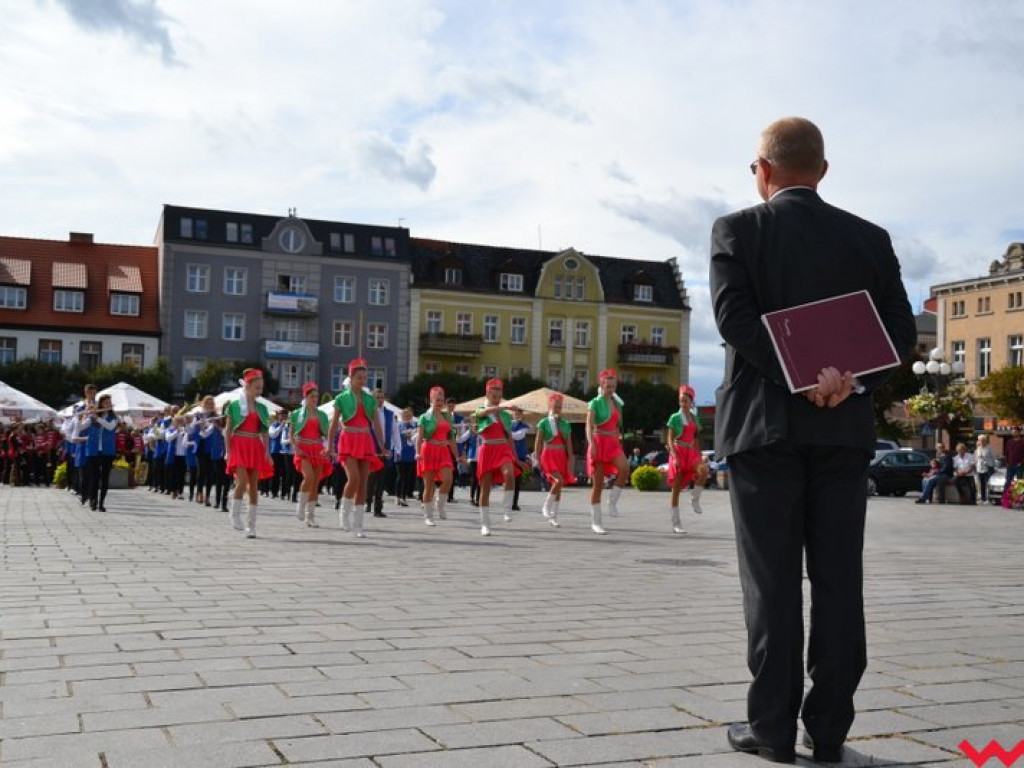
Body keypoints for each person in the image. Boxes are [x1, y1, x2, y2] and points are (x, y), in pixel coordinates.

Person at [710, 117, 916, 763]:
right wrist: (844, 380)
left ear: (762, 169)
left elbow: (734, 319)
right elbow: (900, 335)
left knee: (771, 582)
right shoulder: (870, 238)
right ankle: (828, 730)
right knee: (837, 580)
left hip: (764, 429)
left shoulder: (738, 229)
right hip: (843, 431)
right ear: (823, 171)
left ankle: (769, 728)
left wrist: (800, 379)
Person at [328, 359, 389, 538]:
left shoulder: (370, 399)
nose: (362, 381)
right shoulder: (341, 398)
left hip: (365, 440)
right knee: (353, 478)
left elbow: (376, 424)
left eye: (365, 378)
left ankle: (359, 524)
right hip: (348, 439)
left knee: (363, 483)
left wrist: (382, 445)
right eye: (359, 378)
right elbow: (333, 425)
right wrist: (330, 445)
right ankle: (344, 514)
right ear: (351, 377)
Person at [224, 369, 275, 538]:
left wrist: (267, 452)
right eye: (257, 388)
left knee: (253, 487)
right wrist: (228, 451)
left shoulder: (262, 408)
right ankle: (234, 513)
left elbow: (265, 432)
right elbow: (228, 430)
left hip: (255, 446)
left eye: (261, 388)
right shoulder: (235, 406)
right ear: (247, 386)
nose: (259, 391)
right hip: (239, 444)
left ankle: (251, 525)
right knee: (242, 480)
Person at [586, 370, 629, 535]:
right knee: (597, 485)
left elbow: (617, 425)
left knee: (624, 468)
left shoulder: (617, 403)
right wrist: (591, 444)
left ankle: (612, 501)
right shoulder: (594, 403)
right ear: (601, 385)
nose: (610, 388)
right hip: (599, 441)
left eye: (613, 386)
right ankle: (596, 522)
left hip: (613, 442)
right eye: (607, 385)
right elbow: (588, 426)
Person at [473, 379, 518, 536]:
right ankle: (485, 524)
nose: (496, 399)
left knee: (509, 475)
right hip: (487, 449)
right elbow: (480, 414)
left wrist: (516, 457)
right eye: (494, 396)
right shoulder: (481, 410)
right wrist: (498, 407)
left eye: (499, 397)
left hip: (503, 448)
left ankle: (507, 509)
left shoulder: (505, 415)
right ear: (487, 394)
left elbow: (510, 437)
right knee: (485, 490)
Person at [665, 385, 707, 534]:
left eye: (686, 401)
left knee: (704, 471)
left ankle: (694, 498)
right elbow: (669, 440)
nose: (683, 404)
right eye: (681, 401)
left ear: (691, 402)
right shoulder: (675, 417)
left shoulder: (694, 418)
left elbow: (696, 438)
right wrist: (675, 456)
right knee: (676, 489)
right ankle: (676, 522)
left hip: (691, 451)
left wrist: (700, 454)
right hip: (678, 450)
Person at [290, 382, 332, 528]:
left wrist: (328, 447)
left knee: (315, 484)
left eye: (316, 396)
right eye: (312, 396)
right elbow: (291, 435)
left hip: (317, 449)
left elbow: (326, 434)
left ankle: (310, 516)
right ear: (306, 397)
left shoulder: (322, 414)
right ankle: (301, 506)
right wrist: (296, 448)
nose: (315, 399)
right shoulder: (297, 414)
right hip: (303, 449)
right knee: (308, 477)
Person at [415, 386, 456, 526]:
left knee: (448, 479)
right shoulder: (425, 417)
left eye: (441, 400)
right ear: (431, 401)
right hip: (429, 450)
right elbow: (419, 438)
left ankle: (440, 503)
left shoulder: (447, 416)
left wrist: (457, 456)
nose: (440, 402)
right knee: (429, 485)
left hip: (444, 450)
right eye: (437, 400)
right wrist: (417, 452)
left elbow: (452, 437)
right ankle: (428, 515)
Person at [534, 392, 574, 528]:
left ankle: (554, 516)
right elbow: (538, 443)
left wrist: (570, 462)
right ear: (550, 407)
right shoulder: (544, 422)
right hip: (548, 454)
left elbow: (569, 445)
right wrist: (537, 459)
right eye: (555, 407)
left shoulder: (565, 424)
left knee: (559, 486)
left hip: (561, 455)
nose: (558, 409)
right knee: (558, 481)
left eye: (560, 407)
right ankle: (546, 507)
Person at [365, 389, 400, 518]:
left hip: (385, 448)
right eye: (377, 397)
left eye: (382, 397)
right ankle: (368, 501)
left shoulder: (390, 414)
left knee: (381, 479)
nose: (380, 400)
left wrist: (398, 448)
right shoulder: (369, 413)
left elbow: (395, 432)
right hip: (371, 448)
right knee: (370, 478)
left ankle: (378, 508)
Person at [84, 394, 119, 511]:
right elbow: (80, 427)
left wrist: (97, 418)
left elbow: (110, 427)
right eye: (106, 403)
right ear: (101, 404)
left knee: (105, 478)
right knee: (94, 477)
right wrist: (85, 415)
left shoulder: (113, 417)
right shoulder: (94, 416)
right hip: (95, 451)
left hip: (107, 451)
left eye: (109, 402)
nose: (108, 404)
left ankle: (101, 503)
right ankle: (93, 501)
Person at [508, 406, 531, 511]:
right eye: (515, 413)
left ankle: (514, 503)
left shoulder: (524, 426)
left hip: (520, 455)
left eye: (518, 413)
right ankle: (508, 502)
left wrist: (506, 433)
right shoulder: (508, 424)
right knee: (508, 480)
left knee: (517, 480)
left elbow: (518, 436)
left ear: (522, 414)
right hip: (509, 454)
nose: (516, 415)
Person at [395, 407, 418, 507]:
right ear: (401, 416)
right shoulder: (398, 425)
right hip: (400, 454)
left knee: (408, 477)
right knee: (401, 476)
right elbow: (396, 437)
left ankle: (403, 497)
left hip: (411, 454)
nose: (407, 417)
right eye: (405, 415)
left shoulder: (415, 425)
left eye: (409, 415)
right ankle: (397, 496)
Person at [974, 434, 995, 503]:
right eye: (980, 440)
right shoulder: (977, 449)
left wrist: (990, 464)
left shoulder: (989, 448)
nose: (981, 441)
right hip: (980, 468)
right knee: (981, 484)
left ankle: (989, 498)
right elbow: (976, 458)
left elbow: (993, 458)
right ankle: (983, 499)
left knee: (988, 483)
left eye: (983, 440)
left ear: (985, 441)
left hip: (988, 467)